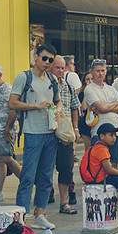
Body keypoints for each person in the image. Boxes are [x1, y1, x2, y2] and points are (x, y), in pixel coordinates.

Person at [8, 44, 61, 231]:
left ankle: (40, 214)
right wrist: (36, 105)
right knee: (28, 177)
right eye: (44, 58)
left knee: (46, 176)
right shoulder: (24, 77)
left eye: (50, 60)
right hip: (32, 132)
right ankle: (21, 216)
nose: (47, 63)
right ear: (36, 57)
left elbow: (58, 100)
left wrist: (59, 109)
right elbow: (12, 102)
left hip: (50, 132)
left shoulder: (52, 79)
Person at [80, 124, 118, 226]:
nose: (114, 138)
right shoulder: (101, 149)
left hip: (100, 177)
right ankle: (116, 207)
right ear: (102, 136)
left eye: (115, 135)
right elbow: (109, 169)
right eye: (111, 135)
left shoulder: (97, 146)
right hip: (101, 178)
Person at [48, 56, 82, 214]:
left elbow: (75, 107)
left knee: (67, 168)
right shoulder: (46, 84)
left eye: (62, 68)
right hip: (47, 131)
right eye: (57, 67)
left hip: (65, 133)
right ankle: (45, 197)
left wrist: (75, 129)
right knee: (45, 168)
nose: (60, 71)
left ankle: (64, 202)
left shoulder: (67, 85)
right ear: (50, 68)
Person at [0, 63, 22, 192]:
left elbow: (13, 109)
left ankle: (26, 182)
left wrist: (8, 128)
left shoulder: (7, 88)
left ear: (0, 75)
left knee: (7, 158)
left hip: (6, 130)